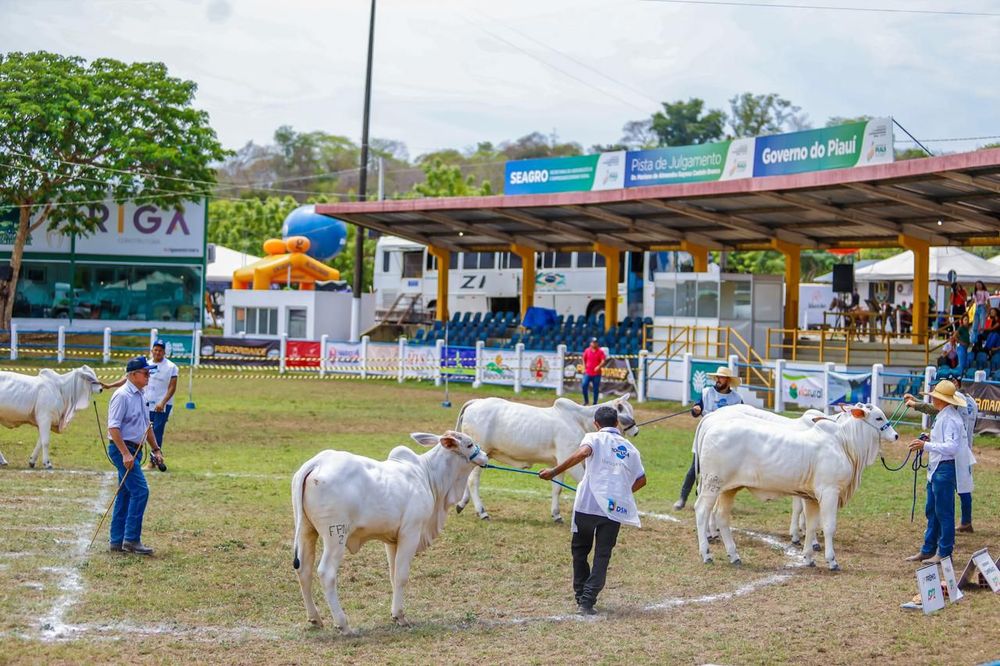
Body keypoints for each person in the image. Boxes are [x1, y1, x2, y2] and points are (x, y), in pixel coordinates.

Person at [539, 405, 646, 615]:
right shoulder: (631, 449)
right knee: (602, 555)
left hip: (586, 506)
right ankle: (587, 601)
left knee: (580, 551)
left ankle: (581, 595)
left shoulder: (593, 438)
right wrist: (621, 494)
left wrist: (554, 471)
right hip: (613, 511)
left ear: (596, 424)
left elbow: (583, 453)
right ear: (617, 423)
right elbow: (642, 480)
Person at [903, 380, 966, 565]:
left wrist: (926, 445)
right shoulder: (944, 415)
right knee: (932, 510)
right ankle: (929, 549)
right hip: (938, 467)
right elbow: (946, 442)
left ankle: (944, 552)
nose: (934, 400)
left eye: (935, 397)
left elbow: (952, 447)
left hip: (944, 468)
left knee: (943, 512)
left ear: (942, 400)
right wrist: (930, 440)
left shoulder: (951, 419)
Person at [905, 378, 978, 533]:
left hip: (952, 453)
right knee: (963, 486)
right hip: (964, 447)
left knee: (948, 494)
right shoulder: (970, 401)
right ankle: (965, 521)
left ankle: (944, 536)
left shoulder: (951, 411)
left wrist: (915, 404)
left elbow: (934, 408)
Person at [107, 356, 163, 555]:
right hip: (123, 449)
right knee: (140, 491)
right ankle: (131, 540)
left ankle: (116, 541)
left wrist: (156, 449)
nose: (149, 376)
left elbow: (146, 426)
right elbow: (113, 428)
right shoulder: (122, 396)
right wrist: (124, 454)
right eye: (145, 372)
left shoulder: (141, 394)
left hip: (135, 451)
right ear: (132, 375)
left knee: (126, 493)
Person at [673, 366, 743, 510]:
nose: (718, 380)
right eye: (717, 377)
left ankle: (717, 502)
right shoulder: (707, 393)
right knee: (695, 468)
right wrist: (696, 409)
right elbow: (696, 409)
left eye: (721, 377)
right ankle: (682, 498)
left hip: (727, 441)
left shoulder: (737, 399)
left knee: (723, 471)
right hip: (706, 437)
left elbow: (744, 417)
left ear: (728, 381)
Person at [144, 340, 179, 470]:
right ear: (152, 350)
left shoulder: (171, 367)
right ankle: (153, 458)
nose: (157, 352)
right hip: (147, 403)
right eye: (155, 349)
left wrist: (163, 402)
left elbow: (172, 387)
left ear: (164, 352)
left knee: (156, 433)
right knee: (145, 431)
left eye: (160, 350)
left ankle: (153, 462)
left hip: (162, 405)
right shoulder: (146, 364)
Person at [581, 338, 608, 406]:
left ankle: (595, 403)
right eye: (593, 342)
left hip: (597, 374)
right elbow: (584, 359)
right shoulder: (587, 350)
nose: (594, 344)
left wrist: (599, 366)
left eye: (595, 342)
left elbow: (603, 361)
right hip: (588, 372)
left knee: (596, 388)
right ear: (590, 343)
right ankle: (586, 401)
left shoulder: (600, 351)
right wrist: (584, 367)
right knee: (584, 385)